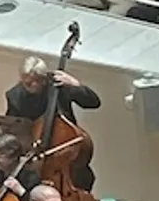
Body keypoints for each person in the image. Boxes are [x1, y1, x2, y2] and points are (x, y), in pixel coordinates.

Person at [5, 55, 102, 190]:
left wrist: (76, 85)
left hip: (64, 154)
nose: (33, 85)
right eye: (27, 83)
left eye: (37, 81)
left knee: (82, 180)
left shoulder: (58, 84)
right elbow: (13, 126)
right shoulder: (15, 96)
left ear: (44, 78)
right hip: (36, 160)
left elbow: (94, 103)